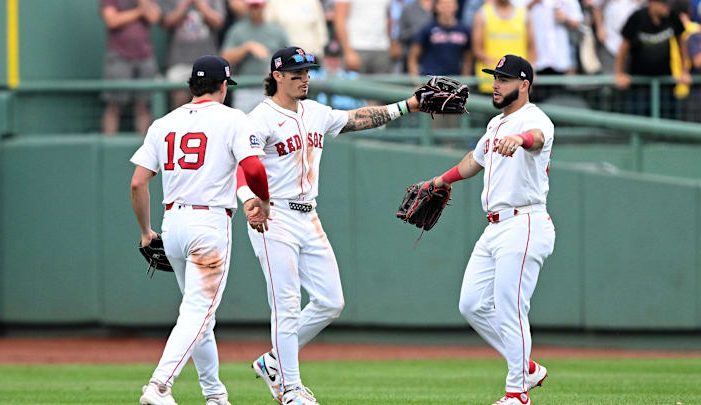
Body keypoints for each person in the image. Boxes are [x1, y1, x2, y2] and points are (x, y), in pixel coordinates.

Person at [238, 46, 422, 405]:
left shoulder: (315, 111)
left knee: (330, 301)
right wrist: (248, 199)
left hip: (309, 215)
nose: (305, 78)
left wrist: (408, 105)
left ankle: (274, 361)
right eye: (297, 73)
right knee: (287, 305)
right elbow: (244, 165)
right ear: (277, 76)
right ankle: (290, 389)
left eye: (308, 72)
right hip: (273, 217)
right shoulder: (259, 119)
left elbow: (356, 118)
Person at [130, 55, 271, 405]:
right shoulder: (232, 118)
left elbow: (137, 183)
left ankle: (215, 395)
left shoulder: (163, 123)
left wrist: (146, 232)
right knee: (197, 312)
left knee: (201, 317)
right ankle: (159, 385)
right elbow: (252, 167)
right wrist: (263, 199)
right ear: (223, 86)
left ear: (192, 85)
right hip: (208, 224)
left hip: (172, 224)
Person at [430, 54, 555, 405]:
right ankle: (526, 368)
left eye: (503, 78)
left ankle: (517, 393)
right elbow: (475, 159)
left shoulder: (534, 118)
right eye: (494, 77)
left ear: (524, 84)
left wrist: (522, 140)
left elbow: (538, 138)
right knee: (471, 304)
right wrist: (441, 180)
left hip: (525, 221)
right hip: (496, 227)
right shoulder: (495, 124)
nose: (495, 84)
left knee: (510, 306)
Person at [615, 0, 692, 117]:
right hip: (639, 86)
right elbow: (624, 47)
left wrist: (684, 71)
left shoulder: (672, 17)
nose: (667, 7)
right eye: (664, 4)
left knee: (666, 123)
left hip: (664, 84)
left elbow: (682, 43)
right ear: (653, 3)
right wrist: (619, 73)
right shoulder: (637, 18)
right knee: (640, 124)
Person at [100, 0, 162, 135]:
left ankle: (145, 150)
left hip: (145, 56)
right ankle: (108, 147)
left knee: (143, 105)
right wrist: (139, 11)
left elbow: (154, 16)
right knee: (113, 105)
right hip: (118, 56)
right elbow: (112, 21)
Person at [221, 0, 289, 112]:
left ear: (264, 6)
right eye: (252, 6)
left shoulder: (277, 30)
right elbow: (224, 59)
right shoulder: (237, 30)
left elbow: (290, 58)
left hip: (272, 89)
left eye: (258, 5)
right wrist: (247, 47)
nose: (255, 9)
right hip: (245, 89)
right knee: (244, 126)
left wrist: (276, 67)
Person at [161, 0, 226, 108]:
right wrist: (185, 4)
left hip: (207, 60)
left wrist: (200, 5)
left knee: (209, 103)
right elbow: (166, 22)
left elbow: (218, 21)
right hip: (179, 60)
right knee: (179, 103)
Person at [472, 0, 536, 93]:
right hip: (490, 84)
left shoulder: (524, 13)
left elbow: (532, 49)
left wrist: (531, 71)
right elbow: (477, 50)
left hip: (518, 83)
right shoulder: (482, 13)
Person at [407, 0, 472, 76]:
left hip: (453, 81)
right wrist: (417, 82)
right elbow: (413, 57)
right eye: (443, 4)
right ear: (436, 7)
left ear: (456, 6)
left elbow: (468, 59)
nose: (447, 7)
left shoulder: (464, 30)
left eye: (450, 3)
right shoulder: (427, 29)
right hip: (431, 80)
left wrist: (464, 81)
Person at [334, 0, 394, 73]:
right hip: (356, 47)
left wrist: (391, 43)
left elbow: (388, 18)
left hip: (382, 48)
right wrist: (348, 51)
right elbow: (340, 19)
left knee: (384, 83)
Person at [263, 0, 329, 57]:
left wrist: (319, 52)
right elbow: (268, 29)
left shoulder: (312, 2)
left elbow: (321, 31)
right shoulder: (274, 2)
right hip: (284, 58)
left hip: (309, 56)